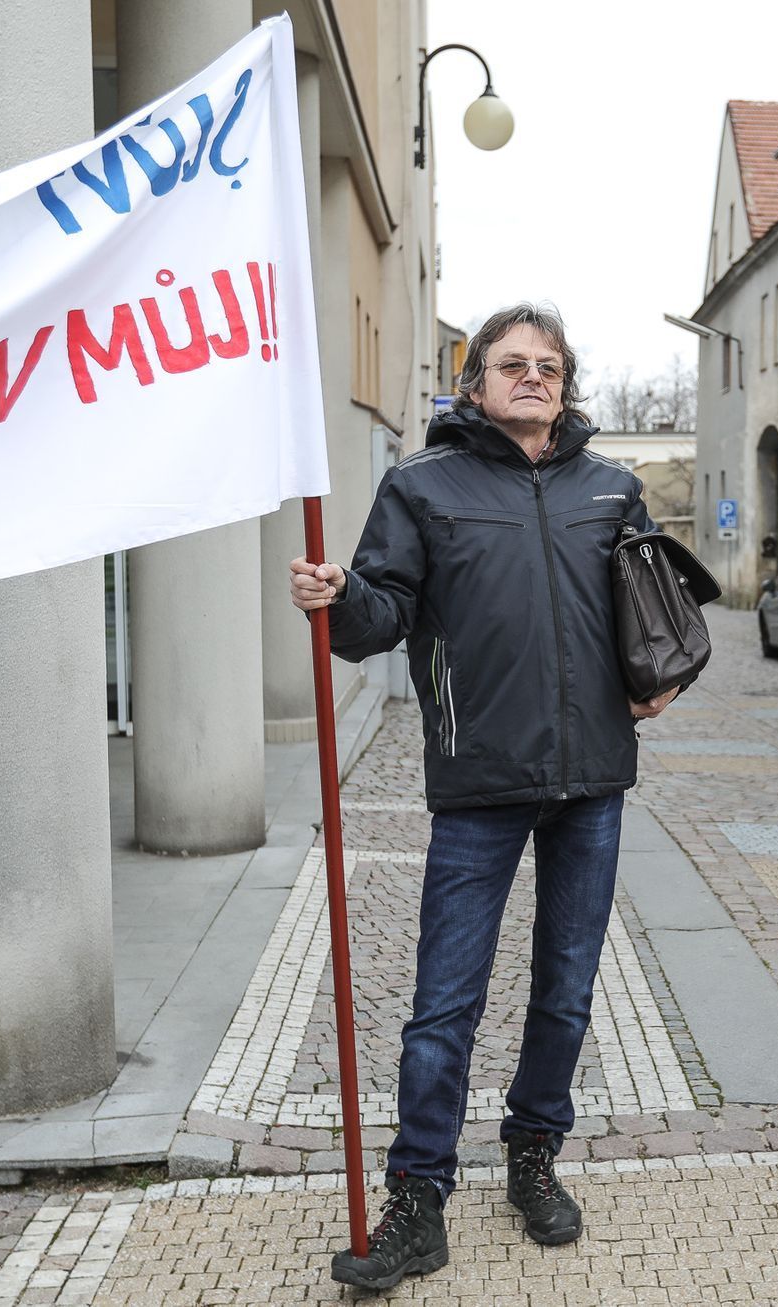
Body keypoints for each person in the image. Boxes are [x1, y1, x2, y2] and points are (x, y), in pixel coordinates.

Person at [289, 303, 679, 1290]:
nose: (535, 376)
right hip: (479, 782)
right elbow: (379, 617)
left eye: (550, 365)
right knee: (444, 1002)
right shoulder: (422, 486)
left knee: (567, 988)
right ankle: (418, 1193)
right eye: (514, 364)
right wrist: (338, 595)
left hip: (593, 775)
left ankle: (533, 1152)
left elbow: (653, 608)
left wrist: (663, 672)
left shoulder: (612, 487)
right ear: (474, 385)